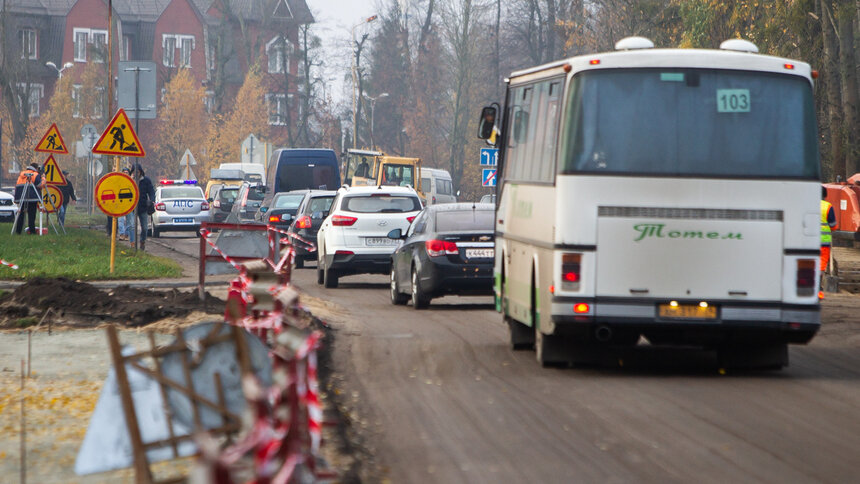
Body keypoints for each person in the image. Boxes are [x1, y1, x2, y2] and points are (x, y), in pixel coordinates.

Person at [13, 163, 45, 235]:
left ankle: (18, 231)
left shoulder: (21, 175)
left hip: (21, 198)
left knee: (21, 215)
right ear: (36, 168)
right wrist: (43, 178)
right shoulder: (35, 175)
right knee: (31, 215)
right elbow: (40, 185)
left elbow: (17, 186)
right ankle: (32, 231)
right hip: (32, 197)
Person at [134, 164, 155, 250]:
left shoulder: (146, 180)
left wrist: (152, 200)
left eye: (138, 172)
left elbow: (151, 191)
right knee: (131, 226)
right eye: (134, 172)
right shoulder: (129, 180)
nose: (136, 174)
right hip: (132, 208)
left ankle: (142, 241)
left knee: (145, 228)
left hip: (143, 207)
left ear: (141, 171)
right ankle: (132, 244)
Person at [821, 186, 837, 273]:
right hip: (823, 241)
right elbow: (833, 225)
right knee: (822, 261)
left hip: (808, 240)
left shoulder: (807, 204)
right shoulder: (827, 206)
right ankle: (819, 281)